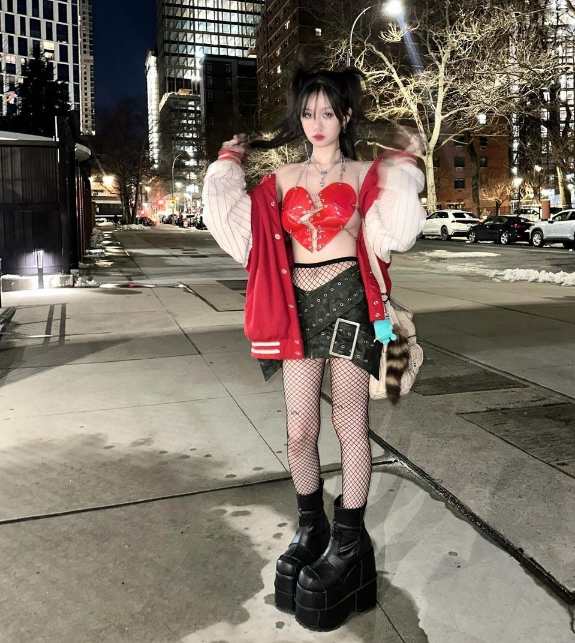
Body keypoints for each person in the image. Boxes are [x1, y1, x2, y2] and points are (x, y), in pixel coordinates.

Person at [202, 67, 426, 631]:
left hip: (350, 303)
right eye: (308, 113)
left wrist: (402, 170)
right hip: (296, 310)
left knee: (352, 422)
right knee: (300, 427)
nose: (317, 123)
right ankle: (312, 527)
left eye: (327, 112)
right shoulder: (278, 180)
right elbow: (245, 238)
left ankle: (348, 542)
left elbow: (392, 234)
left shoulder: (366, 172)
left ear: (345, 115)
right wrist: (227, 167)